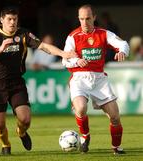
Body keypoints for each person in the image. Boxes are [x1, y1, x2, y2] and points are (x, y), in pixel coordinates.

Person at [0, 6, 76, 155]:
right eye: (9, 19)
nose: (12, 23)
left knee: (25, 119)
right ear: (2, 20)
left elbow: (43, 46)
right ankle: (6, 145)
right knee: (0, 125)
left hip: (16, 82)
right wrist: (1, 48)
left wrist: (64, 53)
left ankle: (21, 132)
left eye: (15, 19)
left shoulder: (23, 34)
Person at [62, 4, 129, 155]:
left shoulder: (104, 34)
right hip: (79, 78)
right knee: (80, 108)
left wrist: (122, 51)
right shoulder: (73, 37)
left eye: (88, 18)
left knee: (115, 117)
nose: (84, 23)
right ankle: (85, 136)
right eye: (81, 19)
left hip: (99, 79)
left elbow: (122, 43)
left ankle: (116, 147)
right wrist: (76, 61)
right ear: (78, 19)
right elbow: (65, 60)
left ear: (94, 18)